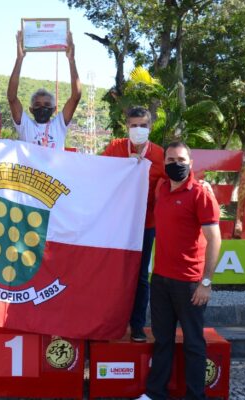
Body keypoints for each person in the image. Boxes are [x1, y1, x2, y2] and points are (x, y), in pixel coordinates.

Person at [137, 141, 222, 400]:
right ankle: (155, 394)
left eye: (182, 160)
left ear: (191, 163)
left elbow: (215, 239)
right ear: (164, 164)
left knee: (193, 344)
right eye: (171, 160)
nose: (177, 164)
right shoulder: (162, 187)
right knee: (162, 341)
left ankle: (196, 396)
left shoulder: (201, 193)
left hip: (190, 284)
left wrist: (206, 282)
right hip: (161, 279)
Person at [102, 107, 165, 342]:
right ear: (126, 126)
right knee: (113, 273)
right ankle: (109, 323)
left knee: (140, 277)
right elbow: (99, 175)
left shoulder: (159, 154)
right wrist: (123, 167)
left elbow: (170, 186)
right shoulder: (115, 148)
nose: (138, 130)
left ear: (150, 127)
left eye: (143, 125)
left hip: (145, 225)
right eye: (134, 125)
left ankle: (137, 325)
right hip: (116, 223)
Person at [7, 30, 81, 150]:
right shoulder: (25, 126)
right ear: (31, 109)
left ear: (54, 109)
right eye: (37, 104)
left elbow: (75, 97)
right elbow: (12, 98)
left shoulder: (59, 124)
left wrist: (71, 60)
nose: (42, 108)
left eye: (47, 104)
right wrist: (19, 59)